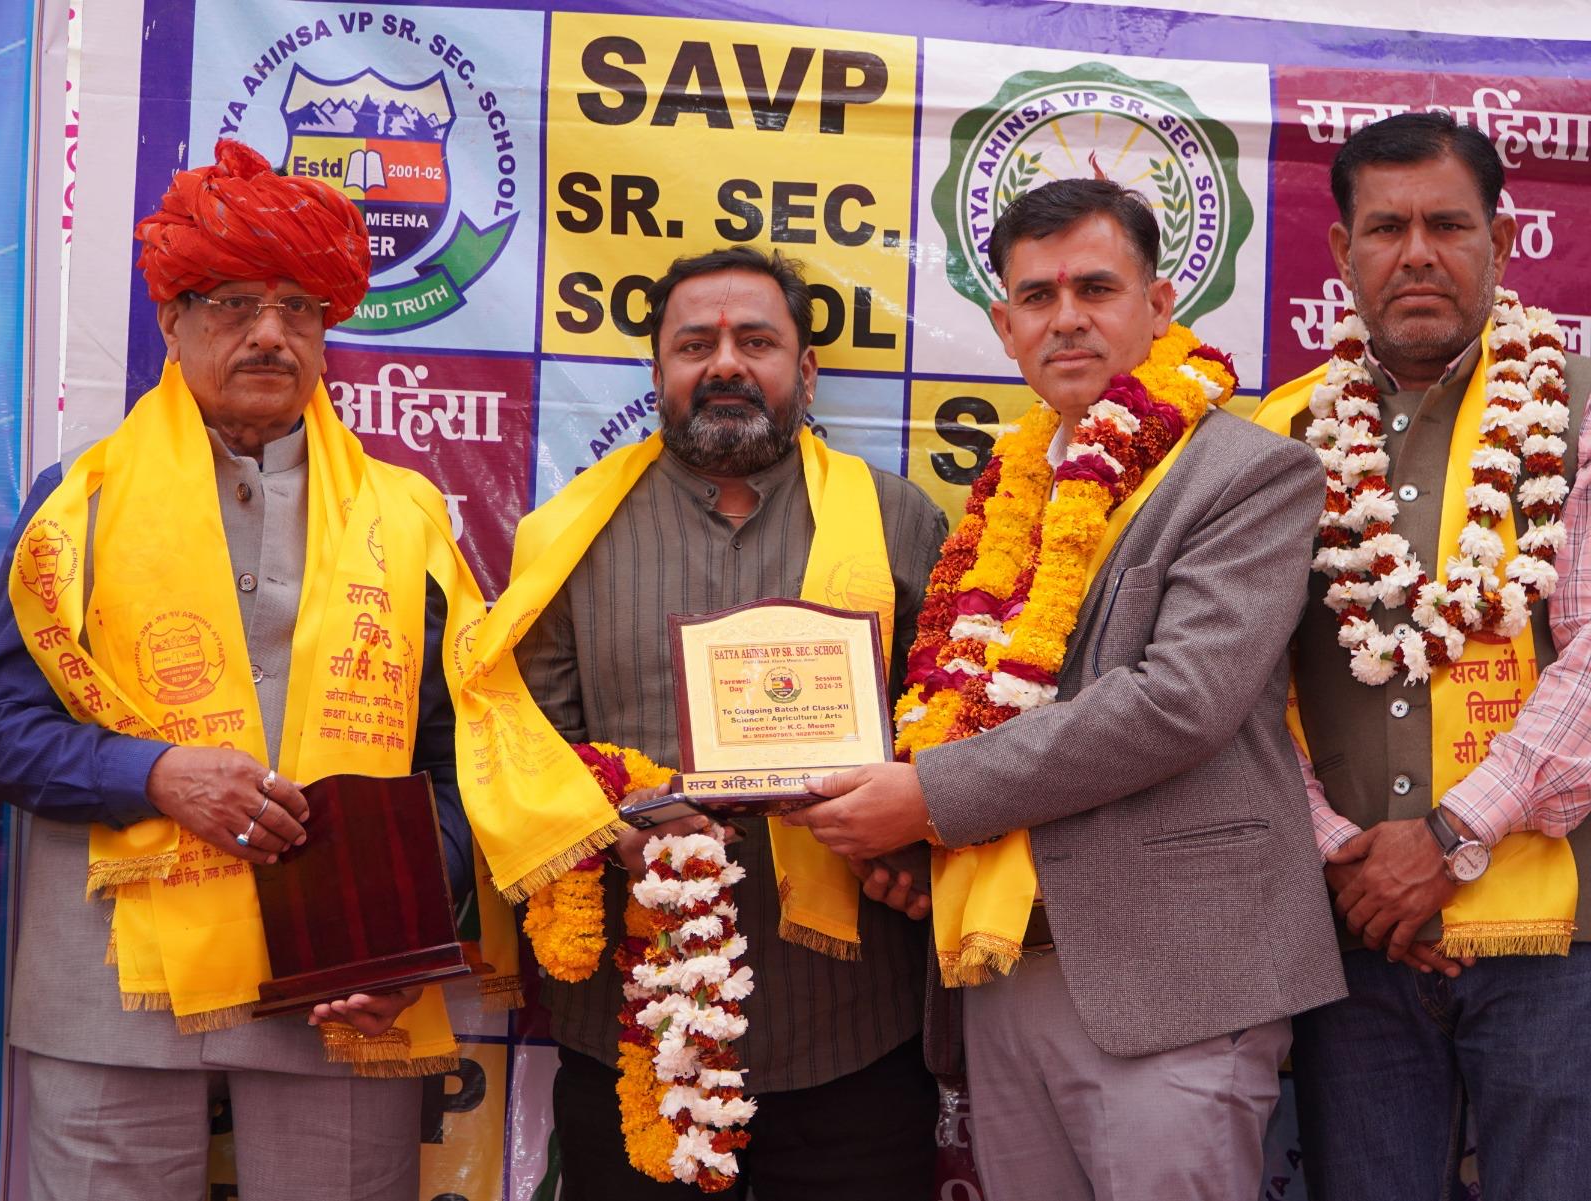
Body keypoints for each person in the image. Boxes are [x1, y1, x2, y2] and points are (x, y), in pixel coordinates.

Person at [784, 178, 1346, 1201]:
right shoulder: (1007, 488)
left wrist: (930, 796)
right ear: (1005, 327)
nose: (1067, 317)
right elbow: (980, 705)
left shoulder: (1248, 471)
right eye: (1037, 297)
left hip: (1172, 976)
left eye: (1096, 287)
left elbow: (1178, 700)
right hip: (1004, 973)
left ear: (1159, 304)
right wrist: (918, 839)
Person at [0, 140, 486, 1201]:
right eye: (232, 304)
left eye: (299, 307)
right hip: (110, 987)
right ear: (171, 322)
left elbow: (460, 759)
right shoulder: (75, 506)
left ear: (327, 331)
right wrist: (152, 774)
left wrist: (403, 934)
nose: (269, 332)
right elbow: (3, 726)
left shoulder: (406, 520)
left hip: (343, 987)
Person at [503, 245, 947, 1199]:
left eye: (757, 341)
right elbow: (523, 751)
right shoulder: (567, 534)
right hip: (635, 1017)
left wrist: (918, 844)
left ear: (807, 370)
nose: (726, 364)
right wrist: (615, 832)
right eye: (695, 344)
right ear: (657, 370)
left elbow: (951, 732)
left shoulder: (897, 520)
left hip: (852, 1019)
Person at [1255, 111, 1591, 1200]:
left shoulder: (1579, 408)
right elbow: (1237, 686)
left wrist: (1448, 838)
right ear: (1340, 250)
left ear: (1501, 240)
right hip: (1354, 934)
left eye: (1447, 225)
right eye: (1385, 228)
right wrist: (1347, 857)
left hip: (1558, 939)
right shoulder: (1276, 437)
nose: (1416, 254)